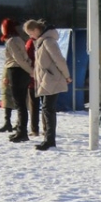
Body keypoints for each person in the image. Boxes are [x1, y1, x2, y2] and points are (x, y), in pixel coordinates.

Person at [27, 20, 72, 151]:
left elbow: (59, 60)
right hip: (46, 79)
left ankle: (50, 140)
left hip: (51, 79)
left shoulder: (48, 42)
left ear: (36, 29)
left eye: (30, 33)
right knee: (47, 108)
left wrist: (66, 75)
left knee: (48, 109)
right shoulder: (41, 42)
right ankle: (48, 138)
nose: (30, 36)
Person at [1, 20, 32, 143]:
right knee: (21, 103)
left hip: (16, 71)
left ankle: (22, 131)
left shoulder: (12, 41)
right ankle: (20, 129)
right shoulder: (18, 39)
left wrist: (30, 70)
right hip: (21, 71)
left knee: (19, 104)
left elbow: (18, 59)